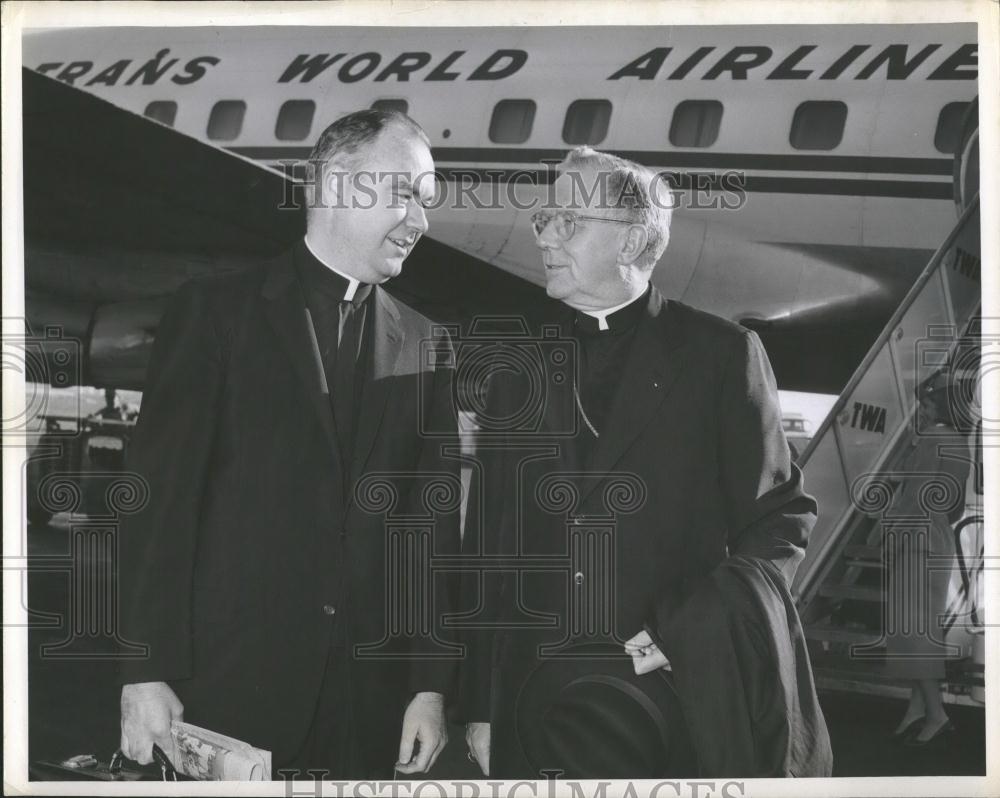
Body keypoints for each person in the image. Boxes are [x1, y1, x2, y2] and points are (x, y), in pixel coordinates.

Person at [461, 147, 831, 778]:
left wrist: (684, 631)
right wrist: (478, 706)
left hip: (667, 695)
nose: (545, 234)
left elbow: (779, 520)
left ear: (632, 241)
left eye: (567, 220)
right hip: (532, 699)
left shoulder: (721, 356)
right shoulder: (512, 368)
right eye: (543, 219)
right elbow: (486, 552)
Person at [116, 109, 460, 778]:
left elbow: (429, 537)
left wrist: (429, 685)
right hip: (223, 696)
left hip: (368, 710)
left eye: (427, 202)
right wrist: (145, 671)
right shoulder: (216, 313)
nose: (421, 221)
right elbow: (159, 506)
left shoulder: (429, 345)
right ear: (336, 183)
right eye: (404, 193)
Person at [885, 373, 972, 745]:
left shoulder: (933, 437)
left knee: (912, 631)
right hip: (938, 539)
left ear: (940, 406)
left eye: (927, 402)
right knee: (924, 629)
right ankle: (918, 707)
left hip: (916, 539)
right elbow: (950, 504)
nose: (921, 409)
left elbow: (913, 495)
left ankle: (936, 714)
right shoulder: (959, 442)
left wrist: (892, 536)